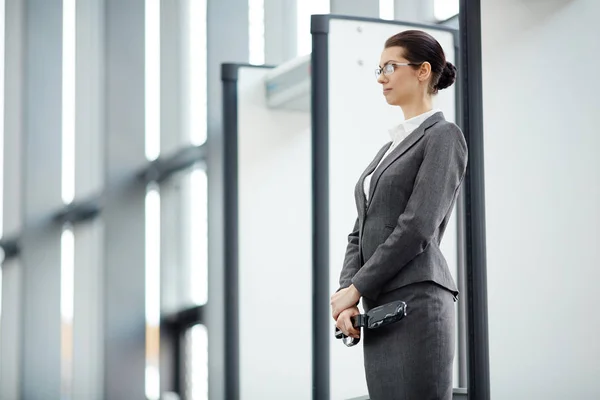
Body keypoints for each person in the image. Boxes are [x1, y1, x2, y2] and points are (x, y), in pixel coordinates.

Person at [329, 30, 468, 400]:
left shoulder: (443, 136)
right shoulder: (389, 147)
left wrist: (357, 287)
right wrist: (348, 293)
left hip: (417, 301)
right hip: (380, 305)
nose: (381, 77)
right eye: (379, 68)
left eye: (390, 66)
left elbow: (417, 226)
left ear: (423, 71)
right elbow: (360, 229)